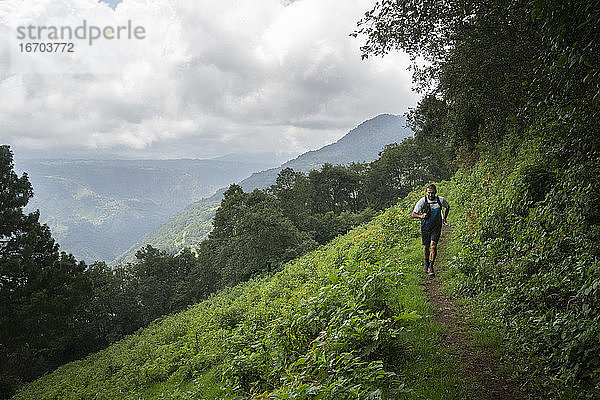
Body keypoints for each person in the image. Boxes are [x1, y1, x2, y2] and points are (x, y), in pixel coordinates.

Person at [411, 184, 450, 277]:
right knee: (426, 246)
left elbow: (447, 207)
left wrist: (444, 217)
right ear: (426, 192)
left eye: (432, 193)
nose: (430, 195)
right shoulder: (422, 201)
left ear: (435, 192)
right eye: (429, 193)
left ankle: (431, 266)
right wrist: (421, 216)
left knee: (433, 246)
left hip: (436, 227)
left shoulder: (440, 200)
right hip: (425, 227)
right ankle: (426, 263)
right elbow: (413, 214)